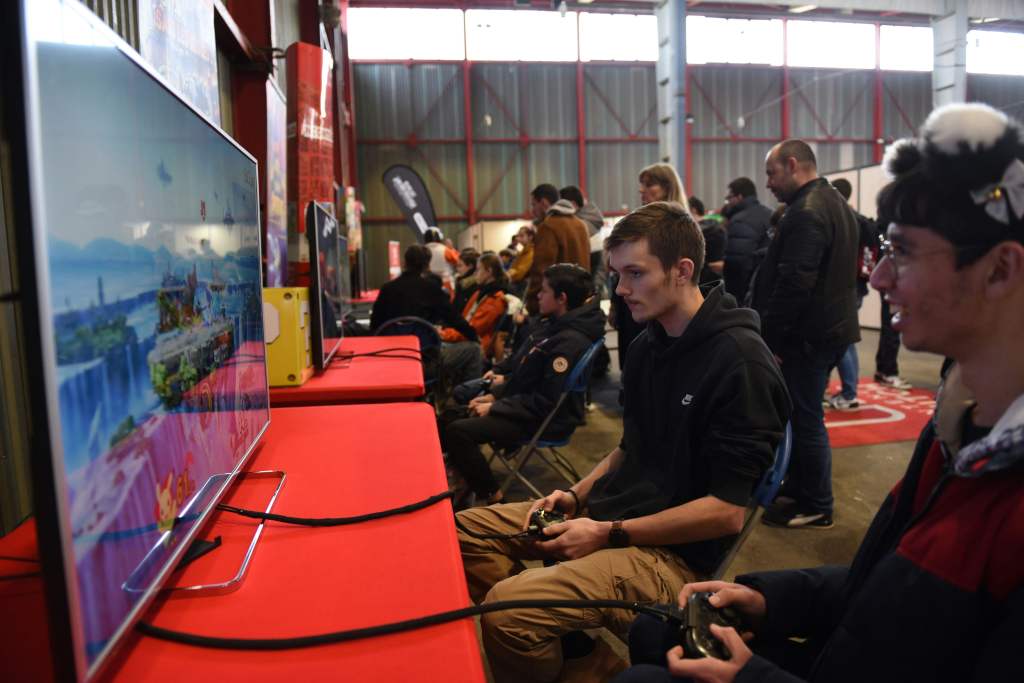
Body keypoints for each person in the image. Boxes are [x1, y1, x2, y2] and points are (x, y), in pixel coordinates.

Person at [615, 101, 1024, 683]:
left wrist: (752, 677)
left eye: (902, 253)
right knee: (656, 632)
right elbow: (885, 587)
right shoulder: (960, 425)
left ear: (1000, 270)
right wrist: (768, 597)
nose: (878, 278)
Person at [456, 202, 790, 683]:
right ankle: (578, 653)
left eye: (635, 273)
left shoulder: (741, 364)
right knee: (460, 534)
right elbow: (629, 448)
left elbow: (726, 512)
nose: (620, 290)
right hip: (612, 519)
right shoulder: (647, 345)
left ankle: (558, 641)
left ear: (682, 271)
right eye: (617, 274)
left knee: (509, 611)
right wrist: (575, 496)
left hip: (673, 557)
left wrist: (607, 532)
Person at [750, 139, 860, 529]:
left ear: (793, 164)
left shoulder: (808, 211)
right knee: (799, 416)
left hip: (807, 338)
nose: (768, 183)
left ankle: (816, 502)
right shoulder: (833, 202)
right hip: (826, 331)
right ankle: (800, 489)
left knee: (805, 419)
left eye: (771, 173)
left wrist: (771, 341)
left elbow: (795, 283)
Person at [442, 263, 604, 507]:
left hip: (543, 420)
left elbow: (544, 401)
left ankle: (494, 498)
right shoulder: (554, 325)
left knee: (458, 431)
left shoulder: (568, 341)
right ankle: (464, 480)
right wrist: (495, 396)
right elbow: (525, 376)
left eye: (544, 290)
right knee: (449, 418)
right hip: (524, 407)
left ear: (562, 298)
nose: (538, 295)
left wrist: (496, 406)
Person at [611, 163, 689, 372]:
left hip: (656, 312)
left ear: (667, 187)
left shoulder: (679, 227)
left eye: (649, 184)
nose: (641, 190)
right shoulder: (640, 224)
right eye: (641, 184)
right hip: (633, 308)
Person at [826, 177, 880, 410]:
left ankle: (849, 393)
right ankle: (847, 390)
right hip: (856, 286)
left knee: (843, 341)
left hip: (843, 288)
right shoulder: (857, 218)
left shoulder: (842, 218)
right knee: (846, 339)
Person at [370, 244, 476, 343]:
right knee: (472, 349)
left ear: (404, 262)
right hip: (425, 349)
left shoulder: (387, 288)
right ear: (427, 265)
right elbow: (453, 318)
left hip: (390, 347)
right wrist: (474, 336)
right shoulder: (432, 289)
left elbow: (375, 323)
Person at [440, 253, 510, 385]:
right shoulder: (480, 293)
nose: (475, 274)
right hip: (465, 339)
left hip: (476, 345)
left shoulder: (495, 299)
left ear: (489, 272)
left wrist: (443, 334)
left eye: (478, 270)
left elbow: (472, 330)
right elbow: (464, 323)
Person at [524, 184, 591, 316]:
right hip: (580, 303)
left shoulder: (548, 227)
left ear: (543, 203)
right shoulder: (581, 225)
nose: (532, 211)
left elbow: (541, 270)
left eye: (533, 205)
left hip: (557, 307)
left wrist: (532, 305)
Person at [721, 177, 772, 304]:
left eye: (729, 198)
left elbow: (737, 266)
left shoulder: (739, 220)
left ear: (739, 197)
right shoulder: (770, 214)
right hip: (766, 288)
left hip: (746, 296)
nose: (727, 202)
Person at [560, 185, 607, 296]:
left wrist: (593, 288)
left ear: (572, 204)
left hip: (585, 290)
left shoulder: (581, 226)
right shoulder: (587, 222)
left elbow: (598, 262)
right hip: (591, 286)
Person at [689, 196, 727, 286]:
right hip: (718, 282)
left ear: (693, 210)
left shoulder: (693, 231)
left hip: (699, 281)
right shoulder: (718, 226)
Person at [423, 227, 459, 292]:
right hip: (445, 283)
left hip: (425, 283)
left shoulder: (421, 250)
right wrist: (452, 249)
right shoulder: (446, 250)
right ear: (439, 238)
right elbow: (458, 261)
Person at [453, 247, 480, 314]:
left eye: (460, 266)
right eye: (457, 266)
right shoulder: (461, 282)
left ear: (470, 266)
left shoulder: (472, 285)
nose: (457, 269)